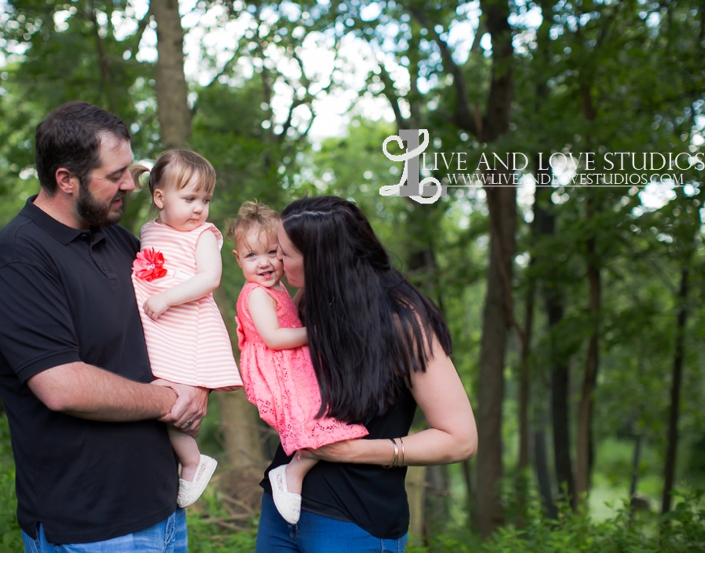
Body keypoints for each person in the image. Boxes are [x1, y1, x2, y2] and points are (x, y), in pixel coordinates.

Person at [0, 102, 209, 553]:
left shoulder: (119, 239)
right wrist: (168, 400)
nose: (131, 184)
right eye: (115, 174)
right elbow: (63, 386)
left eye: (131, 169)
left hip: (163, 511)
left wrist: (197, 384)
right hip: (91, 528)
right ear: (66, 179)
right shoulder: (17, 258)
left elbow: (183, 315)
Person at [254, 195, 478, 553]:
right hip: (283, 510)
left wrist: (351, 452)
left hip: (354, 523)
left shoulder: (402, 323)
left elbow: (460, 438)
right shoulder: (308, 302)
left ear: (322, 263)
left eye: (284, 253)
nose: (275, 261)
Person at [229, 200, 369, 525]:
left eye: (272, 252)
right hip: (279, 374)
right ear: (237, 259)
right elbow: (276, 337)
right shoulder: (256, 294)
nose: (264, 263)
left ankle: (296, 472)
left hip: (294, 368)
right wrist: (319, 332)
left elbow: (289, 317)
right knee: (315, 425)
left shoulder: (275, 289)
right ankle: (292, 474)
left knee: (328, 422)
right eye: (252, 255)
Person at [130, 150, 242, 508]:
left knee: (173, 397)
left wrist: (167, 298)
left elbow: (210, 278)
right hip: (157, 328)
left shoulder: (204, 235)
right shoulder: (148, 231)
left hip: (185, 324)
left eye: (205, 199)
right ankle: (188, 458)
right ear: (160, 198)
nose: (199, 208)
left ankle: (193, 459)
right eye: (190, 198)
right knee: (157, 390)